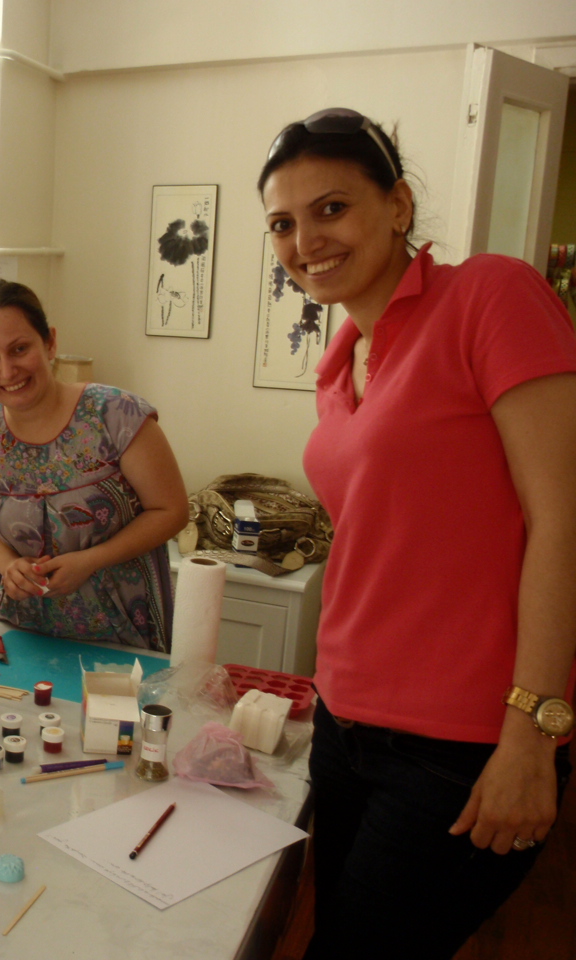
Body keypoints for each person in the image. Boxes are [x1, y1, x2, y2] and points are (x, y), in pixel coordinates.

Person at [259, 107, 576, 958]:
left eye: (331, 209)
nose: (304, 242)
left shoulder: (490, 296)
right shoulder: (341, 362)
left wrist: (534, 732)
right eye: (282, 224)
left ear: (398, 205)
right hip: (345, 721)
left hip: (462, 741)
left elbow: (565, 520)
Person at [0, 280, 188, 650]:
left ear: (49, 343)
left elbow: (172, 511)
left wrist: (90, 561)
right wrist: (7, 565)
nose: (8, 370)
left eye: (19, 349)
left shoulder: (118, 415)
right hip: (23, 631)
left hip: (124, 632)